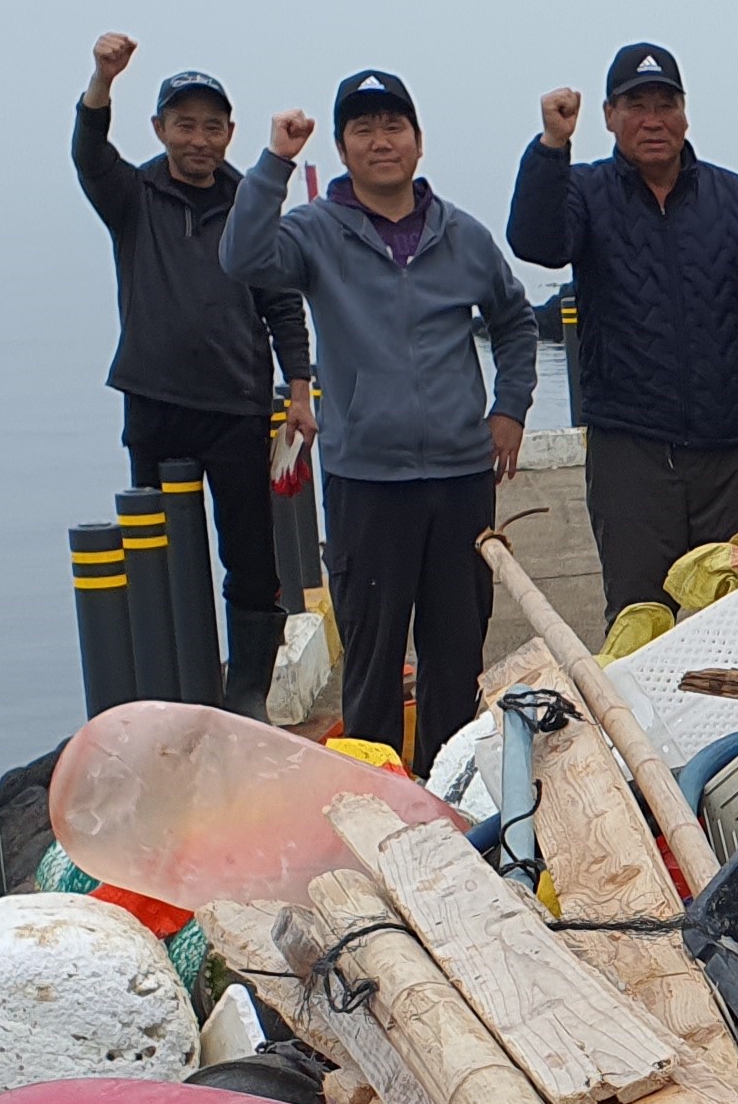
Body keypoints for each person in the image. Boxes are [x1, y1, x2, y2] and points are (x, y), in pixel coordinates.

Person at [222, 72, 539, 769]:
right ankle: (377, 802)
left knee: (457, 655)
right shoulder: (314, 234)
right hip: (367, 479)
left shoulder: (463, 236)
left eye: (393, 126)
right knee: (371, 659)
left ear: (419, 142)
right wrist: (275, 161)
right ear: (341, 148)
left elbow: (514, 321)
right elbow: (242, 257)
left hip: (460, 478)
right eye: (362, 129)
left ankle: (454, 793)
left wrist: (509, 407)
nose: (380, 141)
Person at [508, 42, 738, 622]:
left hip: (735, 449)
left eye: (665, 103)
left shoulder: (735, 198)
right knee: (642, 613)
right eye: (635, 105)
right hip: (632, 451)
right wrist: (551, 148)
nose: (652, 120)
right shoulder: (585, 192)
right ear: (609, 117)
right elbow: (536, 243)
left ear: (685, 113)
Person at [73, 35, 311, 708]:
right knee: (160, 560)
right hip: (154, 404)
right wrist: (102, 79)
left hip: (237, 405)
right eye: (185, 124)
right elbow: (87, 154)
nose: (198, 139)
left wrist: (299, 390)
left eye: (212, 126)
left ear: (231, 133)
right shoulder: (132, 195)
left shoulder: (250, 202)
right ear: (159, 129)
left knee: (252, 561)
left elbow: (283, 305)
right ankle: (172, 689)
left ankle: (245, 695)